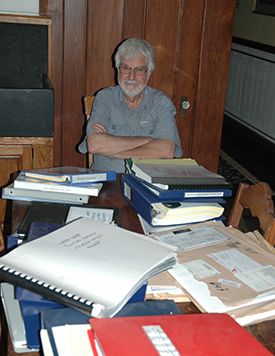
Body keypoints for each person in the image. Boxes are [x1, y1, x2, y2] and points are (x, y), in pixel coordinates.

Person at [79, 38, 183, 172]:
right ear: (117, 70)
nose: (131, 77)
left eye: (139, 69)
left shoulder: (161, 103)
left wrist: (112, 149)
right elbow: (94, 144)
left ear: (149, 73)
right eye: (125, 68)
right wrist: (147, 140)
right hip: (106, 181)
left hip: (149, 182)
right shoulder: (105, 98)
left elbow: (167, 150)